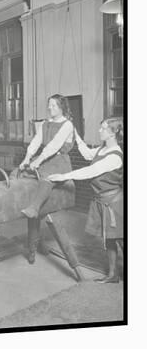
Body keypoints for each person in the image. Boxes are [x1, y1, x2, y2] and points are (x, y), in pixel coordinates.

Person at [48, 117, 123, 283]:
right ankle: (113, 274)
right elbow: (86, 153)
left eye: (103, 128)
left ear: (113, 133)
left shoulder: (115, 156)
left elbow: (91, 171)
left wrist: (64, 176)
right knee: (109, 239)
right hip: (102, 200)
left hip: (115, 203)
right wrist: (74, 131)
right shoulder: (101, 150)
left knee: (122, 239)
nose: (99, 131)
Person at [19, 94, 75, 219]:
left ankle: (34, 208)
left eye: (53, 105)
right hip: (44, 158)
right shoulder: (45, 123)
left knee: (47, 178)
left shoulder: (67, 125)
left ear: (61, 107)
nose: (50, 108)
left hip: (59, 161)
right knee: (19, 171)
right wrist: (27, 158)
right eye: (49, 105)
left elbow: (54, 146)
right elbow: (36, 141)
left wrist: (38, 161)